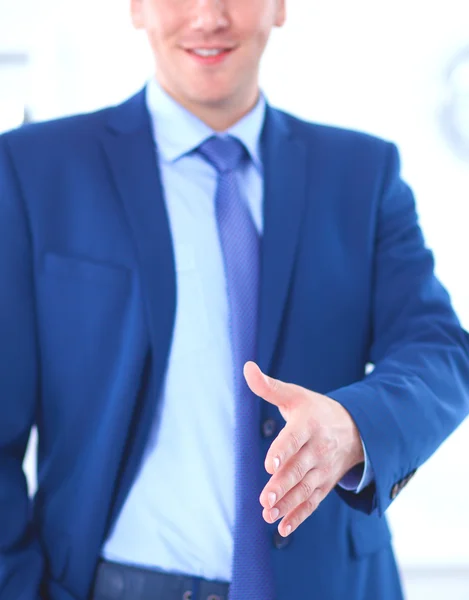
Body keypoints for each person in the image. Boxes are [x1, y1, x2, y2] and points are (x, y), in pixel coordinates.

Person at [0, 1, 468, 599]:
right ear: (136, 8)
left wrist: (355, 425)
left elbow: (441, 352)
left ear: (279, 7)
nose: (207, 16)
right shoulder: (37, 170)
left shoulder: (361, 173)